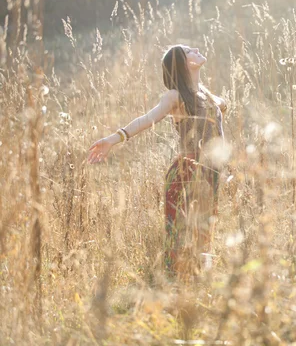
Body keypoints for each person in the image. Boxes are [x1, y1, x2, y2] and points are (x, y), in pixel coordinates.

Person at [87, 45, 227, 276]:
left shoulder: (205, 93)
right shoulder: (175, 96)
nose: (196, 49)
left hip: (211, 171)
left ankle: (201, 286)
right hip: (188, 172)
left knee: (205, 231)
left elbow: (221, 109)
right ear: (182, 63)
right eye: (189, 50)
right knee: (182, 237)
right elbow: (147, 119)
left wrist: (220, 107)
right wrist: (113, 139)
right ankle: (175, 286)